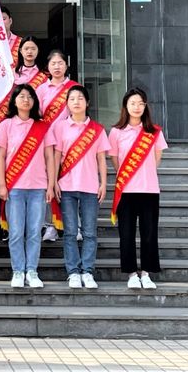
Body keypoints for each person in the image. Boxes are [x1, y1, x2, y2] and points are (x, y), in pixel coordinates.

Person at [49, 85, 109, 290]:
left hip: (90, 187)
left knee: (90, 233)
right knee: (70, 232)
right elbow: (56, 156)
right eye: (72, 98)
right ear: (67, 103)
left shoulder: (97, 130)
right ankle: (73, 272)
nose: (76, 102)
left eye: (80, 98)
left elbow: (101, 159)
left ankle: (88, 271)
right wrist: (53, 182)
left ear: (87, 103)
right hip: (66, 186)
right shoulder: (60, 127)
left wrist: (104, 183)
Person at [108, 87, 167, 290]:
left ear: (145, 106)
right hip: (126, 190)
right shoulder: (116, 132)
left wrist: (144, 172)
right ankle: (132, 273)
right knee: (127, 233)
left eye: (141, 103)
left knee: (149, 233)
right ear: (125, 106)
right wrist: (129, 175)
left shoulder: (154, 132)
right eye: (132, 103)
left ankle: (147, 273)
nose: (137, 107)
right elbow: (114, 159)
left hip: (149, 189)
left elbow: (157, 158)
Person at [0, 84, 54, 288]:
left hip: (38, 187)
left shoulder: (42, 126)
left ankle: (32, 271)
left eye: (30, 96)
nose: (26, 100)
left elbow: (49, 157)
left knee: (34, 232)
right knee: (16, 232)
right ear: (14, 101)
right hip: (14, 187)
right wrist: (2, 184)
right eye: (21, 96)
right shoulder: (5, 125)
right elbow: (0, 156)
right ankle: (18, 271)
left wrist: (51, 185)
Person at [37, 49, 80, 243]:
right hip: (47, 143)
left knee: (71, 184)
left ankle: (75, 225)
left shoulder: (74, 88)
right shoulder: (41, 90)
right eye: (53, 63)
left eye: (60, 63)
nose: (57, 67)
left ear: (66, 65)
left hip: (70, 142)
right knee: (48, 183)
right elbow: (37, 115)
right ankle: (50, 226)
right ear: (47, 67)